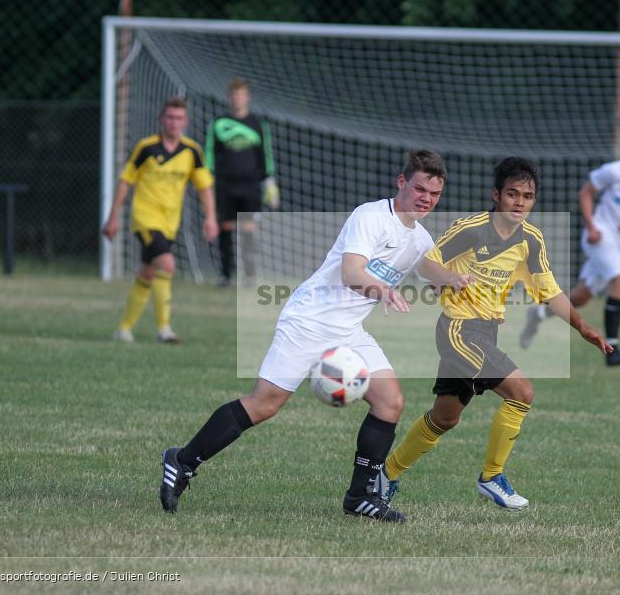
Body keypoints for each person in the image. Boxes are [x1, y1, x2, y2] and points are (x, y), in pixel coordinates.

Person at [158, 150, 447, 522]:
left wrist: (456, 281)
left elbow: (430, 272)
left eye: (434, 194)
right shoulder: (371, 216)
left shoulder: (421, 239)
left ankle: (360, 496)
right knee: (266, 403)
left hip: (347, 332)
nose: (425, 198)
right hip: (309, 320)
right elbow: (351, 271)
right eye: (419, 188)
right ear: (401, 182)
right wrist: (383, 290)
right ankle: (181, 461)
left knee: (390, 402)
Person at [373, 157, 612, 511]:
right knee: (521, 391)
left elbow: (550, 291)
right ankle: (492, 477)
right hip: (458, 330)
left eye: (527, 196)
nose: (519, 202)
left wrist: (583, 327)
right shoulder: (471, 228)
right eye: (512, 194)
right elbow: (426, 263)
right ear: (496, 195)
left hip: (485, 331)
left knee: (444, 417)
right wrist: (450, 278)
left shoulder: (531, 240)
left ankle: (385, 474)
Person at [519, 132, 620, 366]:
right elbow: (586, 192)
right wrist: (591, 225)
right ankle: (613, 350)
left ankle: (539, 314)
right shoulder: (616, 171)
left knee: (581, 297)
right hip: (600, 236)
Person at [102, 97, 218, 344]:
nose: (174, 123)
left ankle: (123, 329)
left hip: (169, 224)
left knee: (147, 274)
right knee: (166, 265)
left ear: (185, 121)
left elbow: (204, 187)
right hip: (145, 219)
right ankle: (164, 329)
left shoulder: (191, 151)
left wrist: (211, 218)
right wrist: (112, 217)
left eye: (179, 118)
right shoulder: (146, 148)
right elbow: (125, 181)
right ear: (161, 119)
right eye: (170, 117)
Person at [205, 77, 279, 287]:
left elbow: (265, 155)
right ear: (229, 98)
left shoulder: (257, 123)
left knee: (248, 230)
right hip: (225, 185)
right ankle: (226, 275)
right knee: (225, 228)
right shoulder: (219, 123)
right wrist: (207, 179)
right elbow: (210, 154)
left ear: (247, 97)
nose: (238, 99)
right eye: (234, 95)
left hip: (250, 186)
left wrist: (269, 181)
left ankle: (250, 276)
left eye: (241, 94)